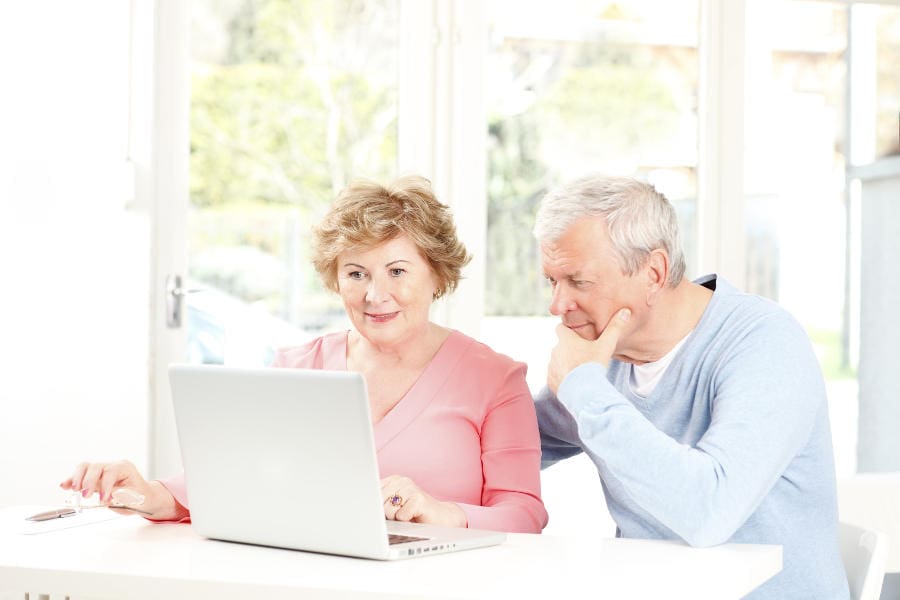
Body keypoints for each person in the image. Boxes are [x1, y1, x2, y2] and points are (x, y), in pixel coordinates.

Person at [62, 175, 548, 534]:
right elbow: (237, 474)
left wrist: (438, 511)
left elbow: (524, 514)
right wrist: (151, 495)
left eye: (397, 271)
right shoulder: (297, 365)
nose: (376, 294)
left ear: (437, 275)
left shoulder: (495, 380)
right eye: (356, 274)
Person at [533, 174, 849, 599]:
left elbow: (709, 510)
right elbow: (505, 441)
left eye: (579, 282)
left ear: (654, 272)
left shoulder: (764, 343)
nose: (558, 305)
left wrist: (584, 390)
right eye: (552, 281)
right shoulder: (603, 360)